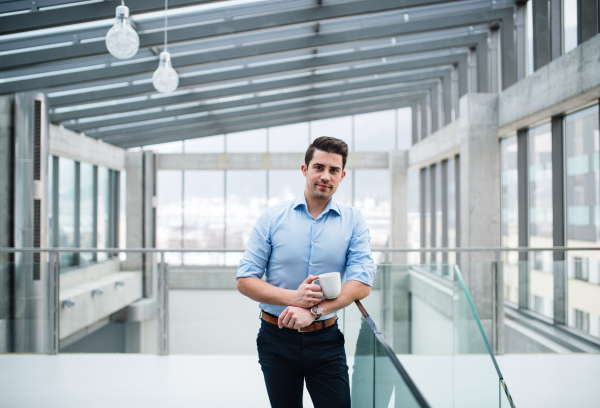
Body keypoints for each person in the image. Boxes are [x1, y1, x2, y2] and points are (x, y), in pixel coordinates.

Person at [236, 136, 376, 408]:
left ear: (342, 176)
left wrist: (312, 311)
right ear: (305, 170)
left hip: (326, 340)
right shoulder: (272, 218)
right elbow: (245, 280)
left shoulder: (353, 221)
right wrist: (294, 298)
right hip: (275, 339)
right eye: (319, 167)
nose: (326, 176)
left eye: (334, 170)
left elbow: (361, 284)